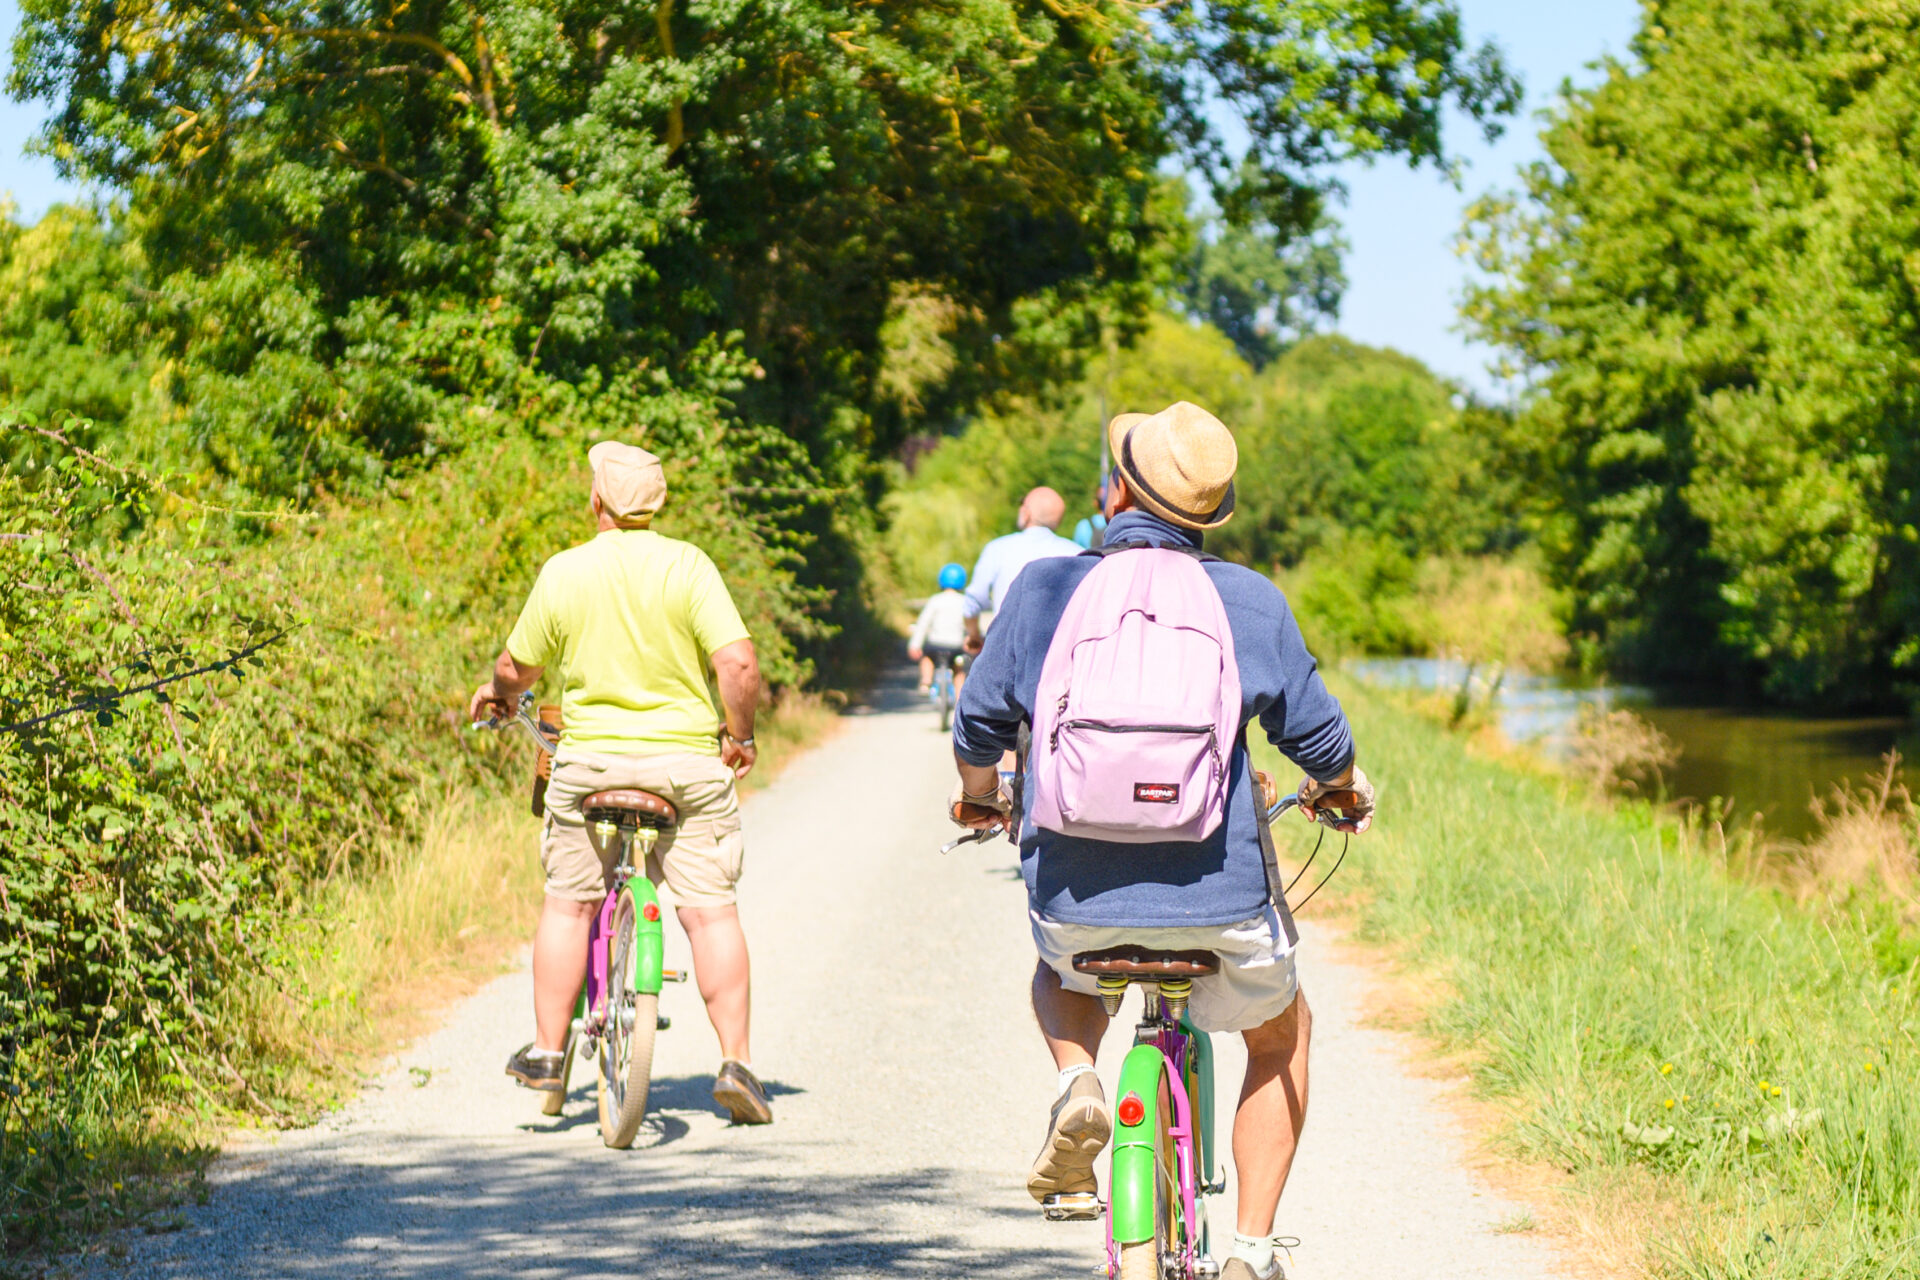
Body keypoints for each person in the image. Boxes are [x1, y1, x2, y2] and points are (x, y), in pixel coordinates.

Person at [947, 402, 1376, 1280]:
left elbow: (976, 725)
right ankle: (1251, 1253)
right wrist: (1340, 791)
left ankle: (1080, 1084)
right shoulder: (1248, 599)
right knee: (1280, 1033)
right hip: (1222, 907)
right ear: (1210, 514)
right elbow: (1325, 747)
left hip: (1077, 901)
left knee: (1062, 964)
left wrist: (979, 798)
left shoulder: (1044, 591)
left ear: (1116, 492)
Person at [468, 440, 775, 1125]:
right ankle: (738, 1065)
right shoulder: (689, 566)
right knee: (711, 911)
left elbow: (517, 669)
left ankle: (549, 1053)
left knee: (569, 906)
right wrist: (741, 735)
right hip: (686, 769)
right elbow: (740, 664)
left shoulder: (566, 571)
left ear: (596, 501)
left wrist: (495, 693)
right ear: (660, 502)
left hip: (591, 767)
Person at [961, 485, 1081, 654]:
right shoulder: (1076, 553)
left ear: (1027, 513)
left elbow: (974, 600)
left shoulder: (998, 548)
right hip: (1057, 653)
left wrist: (973, 635)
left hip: (1006, 651)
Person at [909, 562, 971, 696]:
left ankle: (926, 682)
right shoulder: (965, 601)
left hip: (935, 644)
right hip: (956, 646)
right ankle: (959, 697)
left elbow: (923, 624)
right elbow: (970, 625)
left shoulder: (935, 600)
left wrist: (915, 645)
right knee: (958, 669)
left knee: (927, 658)